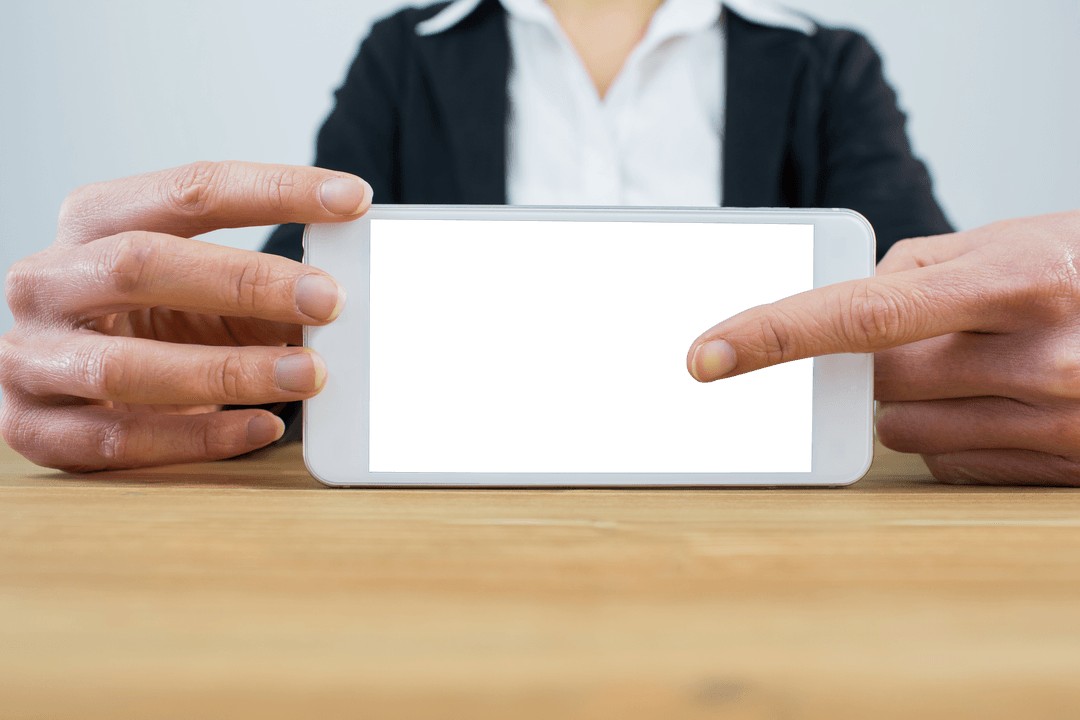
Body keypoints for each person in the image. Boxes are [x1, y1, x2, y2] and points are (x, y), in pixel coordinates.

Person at [1, 0, 1075, 484]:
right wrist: (142, 345)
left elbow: (933, 311)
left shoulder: (824, 65)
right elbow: (282, 339)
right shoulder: (405, 57)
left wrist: (1027, 353)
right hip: (438, 564)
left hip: (773, 552)